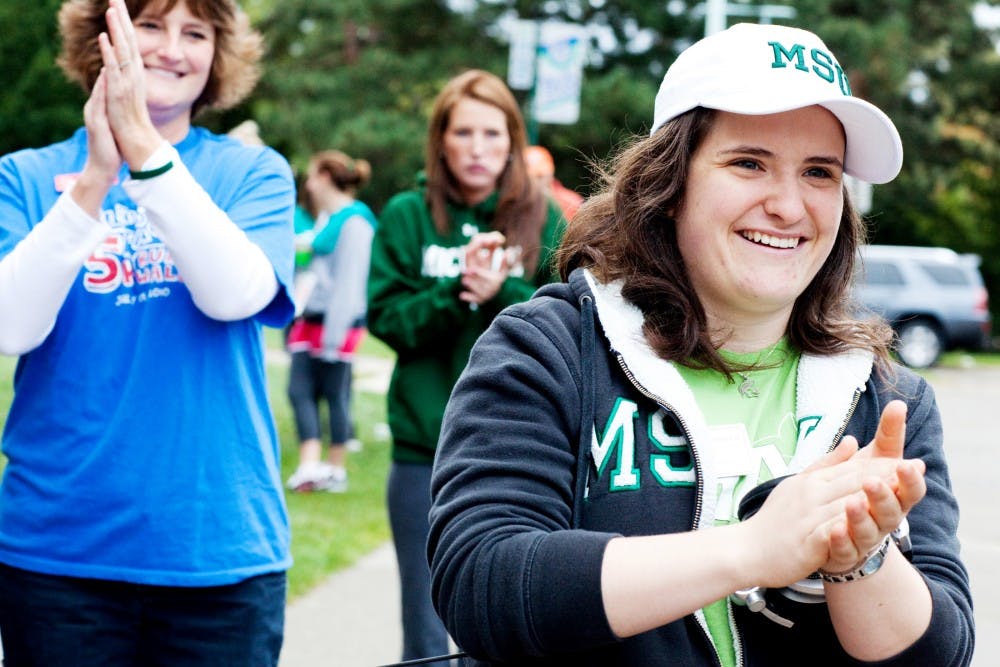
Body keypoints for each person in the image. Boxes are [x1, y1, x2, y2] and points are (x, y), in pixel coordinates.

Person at [428, 23, 974, 667]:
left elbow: (941, 652)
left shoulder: (887, 398)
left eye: (819, 172)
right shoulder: (549, 348)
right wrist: (751, 549)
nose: (788, 205)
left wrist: (861, 555)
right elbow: (482, 583)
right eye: (749, 162)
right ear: (670, 181)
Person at [0, 0, 295, 665]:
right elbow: (11, 325)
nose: (170, 49)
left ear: (218, 57)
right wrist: (96, 181)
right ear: (103, 42)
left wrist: (145, 153)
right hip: (57, 556)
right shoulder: (21, 176)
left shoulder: (252, 173)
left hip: (217, 554)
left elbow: (233, 295)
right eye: (150, 26)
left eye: (196, 33)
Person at [367, 69, 566, 666]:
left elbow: (569, 327)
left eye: (493, 133)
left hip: (524, 449)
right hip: (422, 447)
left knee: (507, 620)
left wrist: (500, 288)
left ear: (512, 141)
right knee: (425, 620)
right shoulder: (407, 214)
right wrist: (457, 291)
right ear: (441, 140)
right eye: (464, 134)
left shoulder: (546, 216)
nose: (478, 149)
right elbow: (386, 319)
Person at [285, 150, 377, 493]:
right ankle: (312, 465)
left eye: (310, 176)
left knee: (334, 393)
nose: (307, 185)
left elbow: (350, 283)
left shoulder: (355, 222)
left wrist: (335, 338)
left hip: (336, 323)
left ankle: (334, 470)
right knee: (301, 391)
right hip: (311, 316)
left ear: (324, 176)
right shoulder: (326, 218)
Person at [524, 144, 584, 220]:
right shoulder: (518, 202)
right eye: (533, 177)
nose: (537, 182)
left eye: (539, 176)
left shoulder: (571, 202)